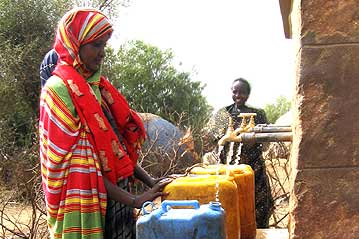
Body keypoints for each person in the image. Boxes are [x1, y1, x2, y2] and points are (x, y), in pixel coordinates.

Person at [39, 8, 172, 238]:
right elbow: (81, 167)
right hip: (87, 200)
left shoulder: (97, 87)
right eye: (95, 45)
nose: (102, 53)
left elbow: (115, 147)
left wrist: (150, 181)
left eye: (104, 45)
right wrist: (135, 199)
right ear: (74, 44)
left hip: (116, 197)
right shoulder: (58, 90)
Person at [204, 77, 273, 228]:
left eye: (242, 92)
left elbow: (264, 141)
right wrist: (225, 138)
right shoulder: (223, 114)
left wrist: (252, 139)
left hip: (254, 168)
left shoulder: (257, 114)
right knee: (227, 201)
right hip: (227, 169)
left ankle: (256, 231)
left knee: (257, 203)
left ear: (248, 94)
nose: (238, 95)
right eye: (235, 92)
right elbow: (211, 138)